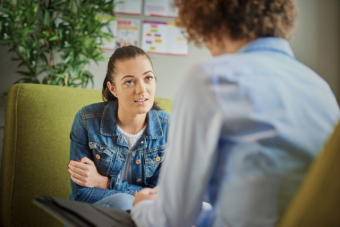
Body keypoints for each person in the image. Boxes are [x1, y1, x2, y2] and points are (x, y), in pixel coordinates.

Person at [131, 0, 340, 226]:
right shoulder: (321, 89)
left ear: (211, 21)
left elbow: (170, 220)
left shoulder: (211, 78)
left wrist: (142, 205)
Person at [67, 45, 170, 211]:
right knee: (124, 203)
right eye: (129, 82)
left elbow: (160, 198)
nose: (142, 89)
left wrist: (104, 182)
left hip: (144, 217)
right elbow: (81, 193)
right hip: (89, 213)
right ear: (113, 88)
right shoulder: (87, 120)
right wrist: (136, 197)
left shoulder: (169, 129)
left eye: (148, 78)